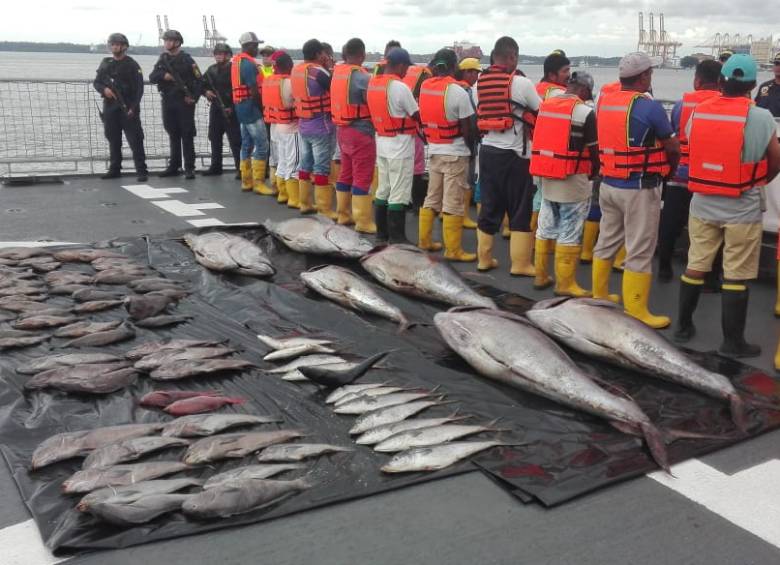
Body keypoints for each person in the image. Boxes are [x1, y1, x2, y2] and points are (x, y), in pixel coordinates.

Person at [675, 54, 780, 357]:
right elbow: (775, 160)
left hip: (703, 204)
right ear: (752, 85)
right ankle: (732, 342)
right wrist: (757, 180)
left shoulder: (699, 112)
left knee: (696, 264)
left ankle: (683, 328)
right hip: (742, 207)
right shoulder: (761, 117)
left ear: (721, 82)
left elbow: (693, 147)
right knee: (735, 273)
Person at [592, 52, 680, 328]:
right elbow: (672, 146)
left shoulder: (604, 101)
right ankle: (636, 310)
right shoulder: (649, 106)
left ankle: (600, 296)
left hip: (608, 184)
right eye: (650, 74)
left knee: (606, 241)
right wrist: (671, 171)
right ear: (643, 76)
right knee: (640, 249)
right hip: (639, 188)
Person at [474, 36, 541, 274]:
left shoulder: (478, 84)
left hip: (488, 152)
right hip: (515, 155)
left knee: (490, 206)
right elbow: (540, 109)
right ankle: (521, 264)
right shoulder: (520, 83)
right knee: (520, 208)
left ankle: (484, 259)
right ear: (512, 57)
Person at [530, 71, 599, 296]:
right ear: (583, 90)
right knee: (570, 231)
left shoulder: (546, 105)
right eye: (588, 93)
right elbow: (594, 150)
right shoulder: (585, 112)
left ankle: (540, 276)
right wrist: (596, 173)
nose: (588, 97)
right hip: (574, 179)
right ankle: (565, 284)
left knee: (545, 227)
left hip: (547, 175)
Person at [658, 60, 722, 281]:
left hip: (681, 172)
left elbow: (673, 133)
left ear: (697, 80)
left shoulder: (681, 104)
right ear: (721, 82)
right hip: (712, 177)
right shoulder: (726, 105)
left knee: (670, 222)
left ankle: (664, 267)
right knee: (711, 228)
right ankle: (711, 276)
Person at [417, 48, 476, 261]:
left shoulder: (425, 87)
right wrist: (471, 150)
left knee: (432, 196)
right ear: (454, 67)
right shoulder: (458, 92)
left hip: (434, 150)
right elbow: (468, 127)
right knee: (453, 202)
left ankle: (424, 240)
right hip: (455, 152)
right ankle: (453, 250)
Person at [366, 47, 419, 243]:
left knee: (383, 188)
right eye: (406, 67)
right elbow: (416, 114)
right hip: (400, 145)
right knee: (399, 191)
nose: (407, 72)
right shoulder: (400, 87)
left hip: (382, 142)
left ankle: (382, 233)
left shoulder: (374, 83)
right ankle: (398, 238)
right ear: (400, 65)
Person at [331, 37, 377, 233]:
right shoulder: (362, 77)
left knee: (346, 173)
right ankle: (363, 221)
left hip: (342, 131)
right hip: (361, 132)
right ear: (362, 54)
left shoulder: (337, 73)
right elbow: (374, 100)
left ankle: (343, 214)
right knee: (362, 176)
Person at [93, 33, 148, 182]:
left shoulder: (132, 64)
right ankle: (114, 169)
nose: (115, 47)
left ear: (124, 47)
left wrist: (133, 107)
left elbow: (139, 89)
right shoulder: (106, 63)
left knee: (135, 140)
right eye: (113, 44)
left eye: (118, 44)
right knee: (113, 139)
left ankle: (141, 171)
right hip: (110, 107)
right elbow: (97, 82)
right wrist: (104, 90)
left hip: (128, 107)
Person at [291, 39, 337, 217]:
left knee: (305, 164)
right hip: (321, 125)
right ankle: (324, 209)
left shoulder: (296, 70)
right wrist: (330, 68)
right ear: (319, 54)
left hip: (303, 124)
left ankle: (305, 204)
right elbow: (335, 88)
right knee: (321, 167)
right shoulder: (318, 72)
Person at [149, 30, 203, 179]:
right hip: (168, 101)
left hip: (184, 102)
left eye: (169, 40)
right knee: (172, 133)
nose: (166, 43)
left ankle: (189, 168)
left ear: (177, 42)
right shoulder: (163, 59)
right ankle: (174, 165)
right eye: (165, 40)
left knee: (187, 134)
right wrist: (164, 75)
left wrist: (194, 98)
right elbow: (152, 76)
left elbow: (199, 80)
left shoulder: (187, 60)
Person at [231, 32, 270, 194]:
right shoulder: (247, 64)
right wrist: (262, 109)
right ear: (249, 46)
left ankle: (246, 181)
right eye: (255, 45)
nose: (257, 48)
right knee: (262, 145)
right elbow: (254, 90)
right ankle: (258, 183)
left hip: (241, 108)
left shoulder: (237, 62)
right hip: (251, 110)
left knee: (246, 144)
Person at [262, 51, 302, 207]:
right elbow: (299, 101)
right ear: (289, 65)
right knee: (294, 163)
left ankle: (282, 194)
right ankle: (294, 199)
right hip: (292, 128)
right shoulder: (290, 83)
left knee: (282, 162)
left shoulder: (269, 81)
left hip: (276, 127)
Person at [202, 43, 242, 178]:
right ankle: (215, 166)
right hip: (216, 109)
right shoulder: (211, 70)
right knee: (214, 137)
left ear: (229, 55)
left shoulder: (234, 70)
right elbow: (201, 84)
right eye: (217, 54)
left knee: (235, 140)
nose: (220, 56)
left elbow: (239, 89)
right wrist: (206, 91)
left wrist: (231, 105)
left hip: (232, 108)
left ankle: (240, 169)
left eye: (223, 54)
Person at [457, 57, 481, 230]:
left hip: (448, 139)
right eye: (474, 73)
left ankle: (447, 212)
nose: (476, 77)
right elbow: (471, 119)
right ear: (466, 72)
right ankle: (463, 215)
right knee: (466, 180)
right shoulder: (465, 91)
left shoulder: (451, 87)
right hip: (464, 141)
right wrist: (473, 142)